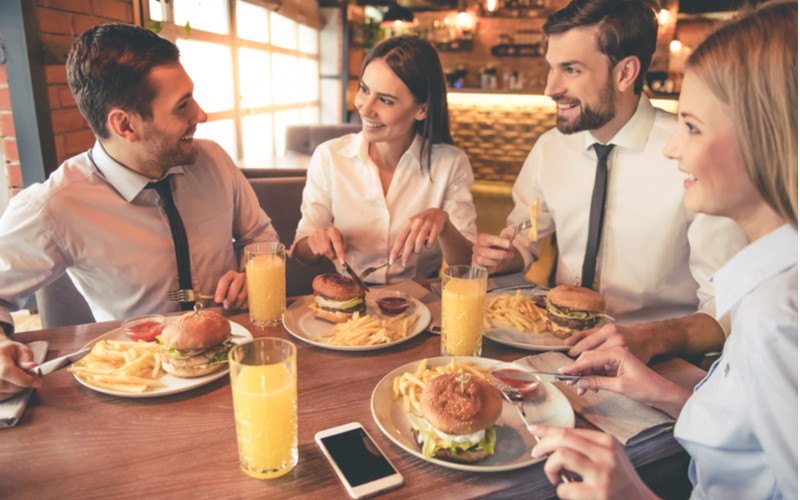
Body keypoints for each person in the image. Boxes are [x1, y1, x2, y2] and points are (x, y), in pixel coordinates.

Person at [531, 2, 797, 498]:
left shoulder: (776, 317)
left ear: (766, 137)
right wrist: (664, 393)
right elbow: (749, 438)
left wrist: (631, 494)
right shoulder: (768, 290)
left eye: (691, 126)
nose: (672, 147)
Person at [0, 24, 277, 398]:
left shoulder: (214, 160)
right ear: (125, 125)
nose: (202, 115)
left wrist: (250, 271)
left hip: (242, 366)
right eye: (182, 105)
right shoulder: (54, 205)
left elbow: (260, 236)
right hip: (139, 392)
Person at [471, 0, 747, 363]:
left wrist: (654, 337)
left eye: (571, 69)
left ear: (625, 73)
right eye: (551, 68)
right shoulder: (550, 148)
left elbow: (730, 304)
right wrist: (505, 256)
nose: (550, 88)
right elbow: (525, 239)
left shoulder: (692, 156)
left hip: (658, 362)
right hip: (554, 347)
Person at [290, 35, 477, 283]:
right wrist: (315, 242)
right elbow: (301, 253)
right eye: (365, 90)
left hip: (422, 297)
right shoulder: (329, 157)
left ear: (422, 109)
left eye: (386, 100)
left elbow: (466, 265)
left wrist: (445, 225)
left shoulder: (451, 164)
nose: (365, 109)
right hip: (351, 296)